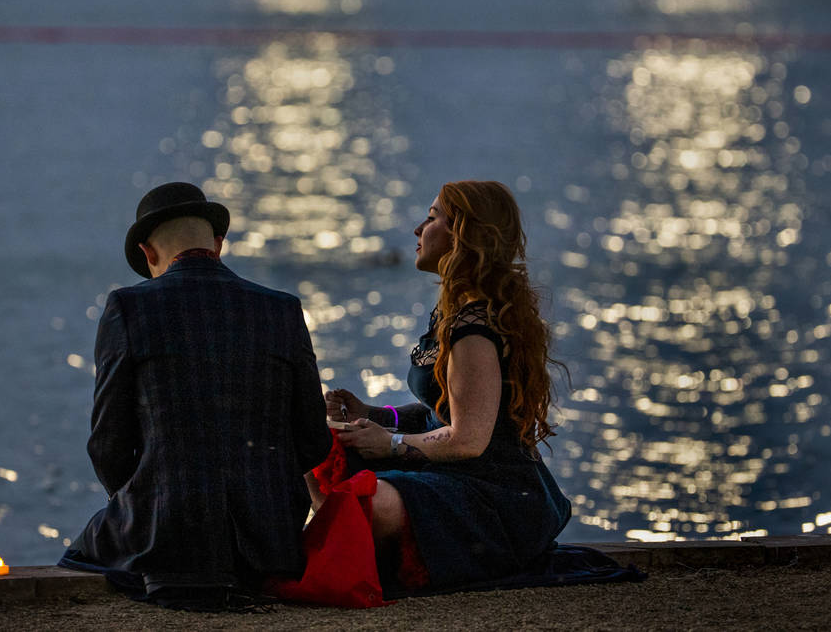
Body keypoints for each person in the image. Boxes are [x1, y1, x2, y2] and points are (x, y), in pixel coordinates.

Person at [60, 182, 332, 609]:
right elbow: (314, 439)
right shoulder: (283, 309)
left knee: (75, 557)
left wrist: (143, 500)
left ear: (149, 254)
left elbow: (108, 446)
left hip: (165, 538)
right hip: (270, 544)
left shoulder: (128, 308)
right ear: (218, 244)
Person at [322, 180, 570, 589]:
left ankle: (364, 563)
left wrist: (392, 445)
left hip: (495, 494)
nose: (418, 230)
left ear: (465, 233)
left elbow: (468, 439)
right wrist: (375, 414)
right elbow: (446, 408)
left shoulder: (473, 330)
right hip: (454, 473)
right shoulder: (455, 312)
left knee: (368, 501)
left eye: (433, 217)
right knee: (318, 444)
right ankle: (352, 556)